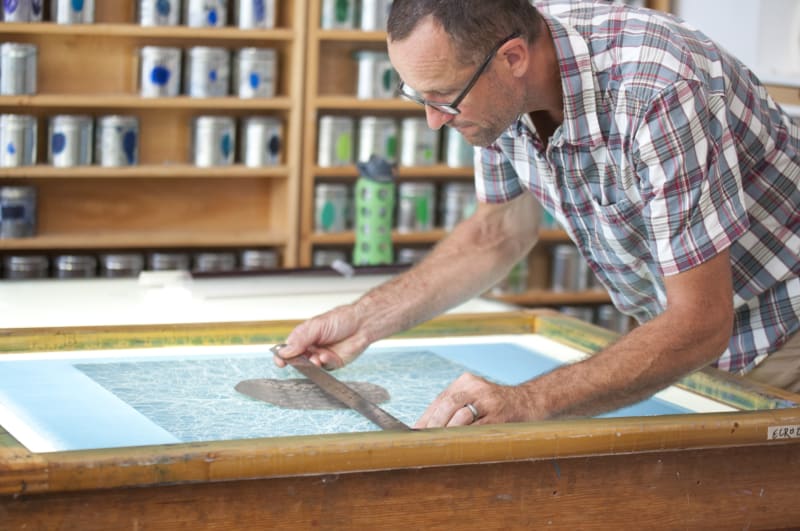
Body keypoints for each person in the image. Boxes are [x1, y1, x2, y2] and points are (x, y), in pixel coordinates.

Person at [275, 0, 800, 428]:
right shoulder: (495, 80)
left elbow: (701, 320)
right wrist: (363, 321)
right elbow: (496, 234)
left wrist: (527, 401)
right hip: (692, 338)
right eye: (419, 96)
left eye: (444, 98)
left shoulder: (657, 89)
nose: (434, 121)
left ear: (513, 58)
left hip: (782, 322)